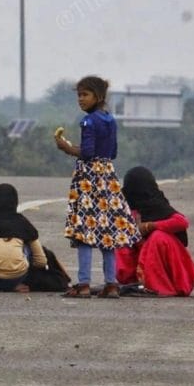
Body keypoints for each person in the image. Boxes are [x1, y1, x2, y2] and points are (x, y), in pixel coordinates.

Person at [54, 75, 140, 299]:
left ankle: (83, 284)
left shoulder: (88, 121)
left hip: (88, 179)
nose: (80, 99)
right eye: (79, 95)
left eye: (85, 94)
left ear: (98, 96)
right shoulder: (110, 119)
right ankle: (111, 284)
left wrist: (65, 147)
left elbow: (87, 153)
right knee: (107, 232)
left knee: (85, 232)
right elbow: (113, 152)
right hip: (108, 177)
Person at [117, 166, 194, 296]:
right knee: (120, 239)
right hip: (140, 259)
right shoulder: (126, 208)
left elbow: (182, 222)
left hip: (168, 261)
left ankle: (156, 285)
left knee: (158, 237)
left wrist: (149, 226)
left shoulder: (157, 205)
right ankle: (134, 281)